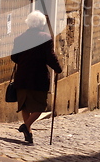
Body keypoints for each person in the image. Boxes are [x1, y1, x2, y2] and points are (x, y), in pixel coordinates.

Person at [11, 10, 62, 144]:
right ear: (41, 24)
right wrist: (58, 69)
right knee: (40, 106)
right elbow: (50, 57)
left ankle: (28, 130)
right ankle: (26, 126)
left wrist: (25, 61)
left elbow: (14, 57)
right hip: (38, 78)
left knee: (25, 106)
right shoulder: (45, 37)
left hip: (22, 77)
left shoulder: (19, 38)